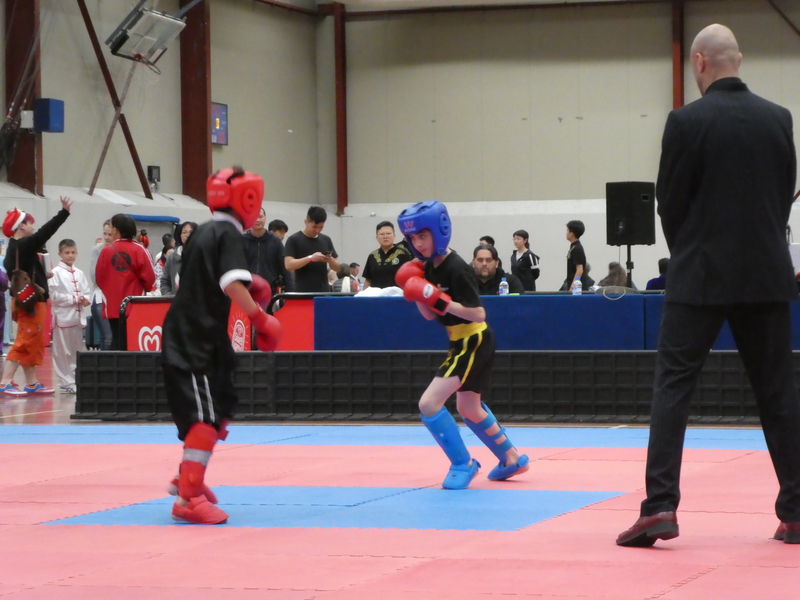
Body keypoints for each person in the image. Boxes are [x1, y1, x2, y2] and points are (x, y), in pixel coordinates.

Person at [616, 24, 800, 548]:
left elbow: (669, 202)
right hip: (766, 274)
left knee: (674, 387)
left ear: (698, 62)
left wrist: (690, 251)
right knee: (778, 391)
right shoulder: (779, 118)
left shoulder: (685, 121)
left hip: (699, 273)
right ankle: (797, 510)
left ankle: (660, 507)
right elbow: (783, 193)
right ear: (738, 59)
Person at [162, 167, 282, 525]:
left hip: (204, 334)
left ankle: (187, 474)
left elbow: (210, 278)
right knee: (204, 417)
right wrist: (261, 318)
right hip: (193, 337)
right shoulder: (227, 234)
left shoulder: (204, 231)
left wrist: (252, 284)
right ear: (249, 199)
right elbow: (231, 284)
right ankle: (187, 497)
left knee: (223, 403)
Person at [396, 200, 529, 490]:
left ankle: (463, 463)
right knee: (469, 407)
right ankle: (511, 457)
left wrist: (438, 298)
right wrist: (417, 291)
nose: (418, 243)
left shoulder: (457, 268)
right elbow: (430, 315)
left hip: (473, 339)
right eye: (413, 238)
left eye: (423, 236)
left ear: (438, 232)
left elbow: (478, 313)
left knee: (429, 403)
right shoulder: (427, 267)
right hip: (461, 340)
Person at [0, 198, 71, 396]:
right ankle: (5, 382)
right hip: (31, 303)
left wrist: (41, 275)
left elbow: (20, 271)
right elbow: (45, 232)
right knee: (25, 340)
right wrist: (63, 213)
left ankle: (31, 383)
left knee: (32, 341)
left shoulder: (14, 248)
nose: (33, 226)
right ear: (21, 225)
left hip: (22, 301)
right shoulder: (24, 245)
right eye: (29, 222)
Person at [95, 214, 157, 350]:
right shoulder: (141, 250)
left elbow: (99, 278)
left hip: (112, 305)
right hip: (134, 305)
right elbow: (150, 279)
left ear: (115, 230)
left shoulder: (106, 251)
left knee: (116, 340)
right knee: (132, 341)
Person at [49, 239, 91, 394]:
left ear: (77, 253)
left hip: (77, 318)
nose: (70, 255)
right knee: (62, 352)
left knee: (76, 350)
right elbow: (54, 296)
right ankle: (65, 381)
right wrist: (74, 299)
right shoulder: (55, 273)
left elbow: (86, 291)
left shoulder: (79, 273)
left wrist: (85, 299)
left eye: (73, 252)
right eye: (67, 252)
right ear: (60, 254)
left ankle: (75, 378)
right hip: (62, 318)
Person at [284, 206, 339, 292]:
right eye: (314, 226)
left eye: (321, 227)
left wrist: (330, 260)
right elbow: (288, 265)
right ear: (306, 222)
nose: (317, 230)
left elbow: (337, 267)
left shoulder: (326, 239)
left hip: (323, 291)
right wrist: (310, 258)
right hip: (302, 292)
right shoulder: (293, 239)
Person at [243, 207, 287, 295]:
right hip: (245, 291)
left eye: (260, 216)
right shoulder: (241, 240)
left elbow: (285, 268)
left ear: (265, 218)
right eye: (254, 216)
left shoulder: (276, 241)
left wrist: (290, 293)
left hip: (270, 291)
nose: (258, 220)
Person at [362, 221, 412, 289]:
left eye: (388, 233)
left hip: (396, 294)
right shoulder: (372, 256)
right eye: (382, 234)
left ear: (394, 236)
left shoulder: (403, 254)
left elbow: (409, 278)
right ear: (377, 238)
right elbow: (368, 280)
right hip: (376, 295)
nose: (385, 237)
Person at [88, 220, 114, 350]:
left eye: (110, 234)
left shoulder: (118, 250)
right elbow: (95, 277)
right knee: (107, 337)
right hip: (100, 298)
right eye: (105, 234)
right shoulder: (97, 250)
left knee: (114, 337)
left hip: (114, 299)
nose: (107, 237)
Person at [160, 221, 197, 295]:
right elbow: (165, 281)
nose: (187, 235)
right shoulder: (172, 257)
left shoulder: (203, 255)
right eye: (184, 232)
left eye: (191, 232)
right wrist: (170, 297)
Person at [560, 220, 592, 292]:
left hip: (577, 289)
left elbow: (579, 269)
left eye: (568, 231)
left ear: (572, 234)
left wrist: (573, 287)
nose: (566, 233)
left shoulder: (577, 249)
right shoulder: (573, 247)